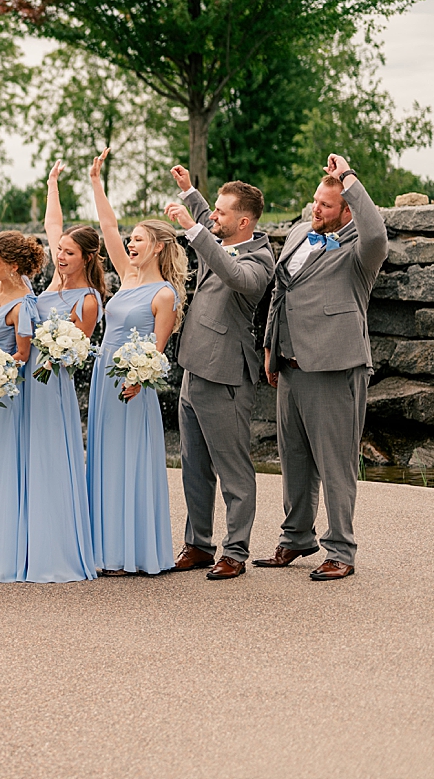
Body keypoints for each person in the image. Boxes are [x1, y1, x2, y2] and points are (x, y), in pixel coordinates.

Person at [256, 154, 386, 581]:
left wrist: (349, 175)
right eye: (315, 201)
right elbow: (280, 292)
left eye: (326, 205)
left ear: (346, 208)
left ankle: (341, 550)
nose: (316, 209)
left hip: (333, 367)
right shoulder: (298, 232)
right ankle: (296, 538)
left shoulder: (361, 250)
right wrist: (270, 348)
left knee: (335, 463)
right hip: (290, 365)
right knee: (293, 459)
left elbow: (377, 231)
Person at [165, 167, 276, 580]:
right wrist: (191, 192)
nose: (214, 216)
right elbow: (213, 230)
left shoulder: (260, 260)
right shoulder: (224, 238)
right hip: (194, 367)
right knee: (192, 464)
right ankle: (198, 545)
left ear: (243, 221)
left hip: (227, 373)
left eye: (221, 212)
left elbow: (232, 273)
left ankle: (236, 550)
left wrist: (193, 227)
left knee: (233, 469)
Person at [86, 148, 183, 576]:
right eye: (131, 240)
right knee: (105, 458)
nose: (130, 243)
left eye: (139, 239)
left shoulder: (165, 295)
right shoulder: (126, 276)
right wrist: (95, 182)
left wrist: (139, 380)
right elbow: (108, 226)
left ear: (158, 246)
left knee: (129, 462)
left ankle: (130, 552)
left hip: (131, 384)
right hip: (104, 377)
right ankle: (106, 548)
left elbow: (157, 352)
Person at [10, 164, 98, 582]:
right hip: (27, 381)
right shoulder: (51, 286)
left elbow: (78, 351)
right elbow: (53, 223)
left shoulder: (88, 299)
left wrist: (56, 353)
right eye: (59, 250)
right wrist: (51, 186)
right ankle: (26, 542)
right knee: (27, 458)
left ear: (85, 259)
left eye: (68, 253)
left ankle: (56, 547)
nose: (60, 256)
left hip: (51, 385)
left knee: (50, 460)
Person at [0, 230, 47, 583]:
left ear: (13, 267)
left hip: (3, 394)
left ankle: (6, 552)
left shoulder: (23, 305)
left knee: (3, 465)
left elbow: (22, 354)